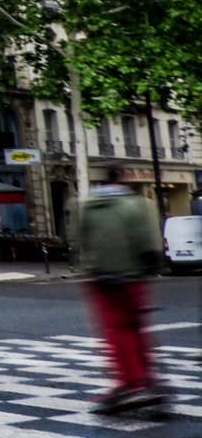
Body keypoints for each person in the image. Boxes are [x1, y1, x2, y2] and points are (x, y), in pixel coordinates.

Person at [77, 169, 164, 413]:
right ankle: (143, 379)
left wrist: (89, 268)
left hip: (101, 275)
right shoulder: (136, 204)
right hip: (132, 275)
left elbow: (80, 240)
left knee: (115, 331)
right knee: (135, 328)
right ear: (122, 180)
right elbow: (146, 240)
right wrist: (152, 267)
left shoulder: (89, 205)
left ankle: (128, 381)